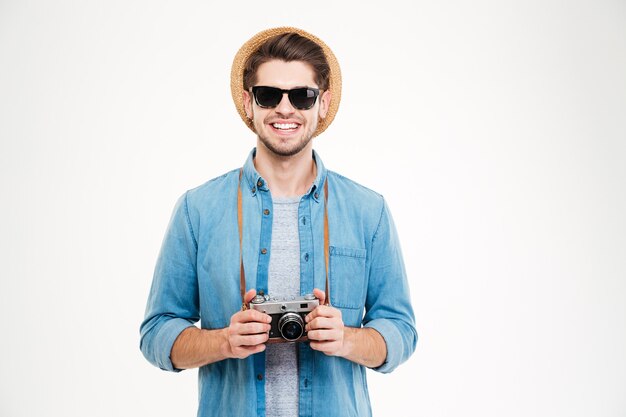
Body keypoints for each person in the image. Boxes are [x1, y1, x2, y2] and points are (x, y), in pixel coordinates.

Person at [140, 27, 417, 417]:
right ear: (248, 103)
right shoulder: (197, 209)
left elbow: (401, 331)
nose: (285, 109)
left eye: (302, 96)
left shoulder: (367, 210)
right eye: (269, 95)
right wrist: (224, 342)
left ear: (323, 103)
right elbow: (156, 333)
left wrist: (345, 340)